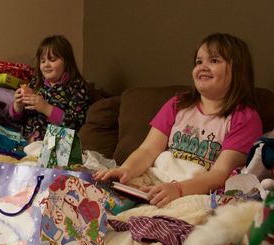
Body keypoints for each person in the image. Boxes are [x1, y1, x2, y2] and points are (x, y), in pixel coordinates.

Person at [94, 33, 263, 208]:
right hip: (154, 179)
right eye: (199, 62)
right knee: (101, 195)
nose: (203, 67)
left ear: (238, 70)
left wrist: (179, 190)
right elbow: (147, 150)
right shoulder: (178, 104)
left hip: (195, 191)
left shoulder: (245, 118)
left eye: (213, 60)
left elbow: (220, 174)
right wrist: (126, 170)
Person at [10, 35, 90, 143]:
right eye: (42, 61)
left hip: (53, 145)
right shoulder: (36, 83)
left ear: (66, 61)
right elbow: (16, 119)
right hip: (23, 140)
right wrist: (18, 106)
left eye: (52, 59)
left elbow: (75, 123)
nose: (46, 65)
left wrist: (45, 107)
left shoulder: (77, 87)